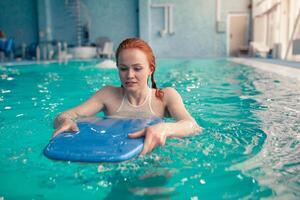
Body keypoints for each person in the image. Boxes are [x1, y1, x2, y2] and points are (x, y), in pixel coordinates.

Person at [52, 38, 202, 155]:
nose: (129, 75)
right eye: (123, 69)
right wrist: (65, 120)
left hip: (155, 159)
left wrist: (165, 128)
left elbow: (193, 126)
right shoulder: (108, 95)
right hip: (116, 157)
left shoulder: (165, 96)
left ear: (150, 69)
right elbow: (66, 115)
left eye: (137, 68)